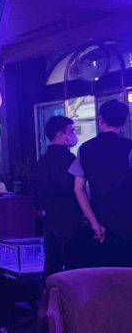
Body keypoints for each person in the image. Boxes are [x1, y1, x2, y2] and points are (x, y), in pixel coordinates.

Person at [69, 99, 132, 265]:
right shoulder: (129, 147)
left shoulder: (85, 148)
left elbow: (78, 189)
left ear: (101, 120)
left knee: (103, 273)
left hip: (99, 220)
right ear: (124, 122)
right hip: (127, 221)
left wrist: (93, 222)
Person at [32, 115, 82, 275]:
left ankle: (50, 291)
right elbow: (77, 189)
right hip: (71, 218)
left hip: (49, 219)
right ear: (60, 135)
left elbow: (37, 192)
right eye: (71, 131)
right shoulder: (71, 160)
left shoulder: (42, 162)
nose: (73, 135)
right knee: (73, 266)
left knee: (52, 264)